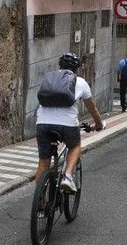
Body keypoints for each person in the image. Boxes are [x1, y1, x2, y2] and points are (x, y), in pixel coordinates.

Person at [35, 52, 104, 193]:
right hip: (67, 124)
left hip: (42, 122)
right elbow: (92, 109)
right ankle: (67, 177)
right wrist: (98, 124)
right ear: (77, 69)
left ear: (60, 66)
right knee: (75, 146)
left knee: (43, 161)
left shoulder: (49, 78)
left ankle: (40, 200)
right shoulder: (80, 82)